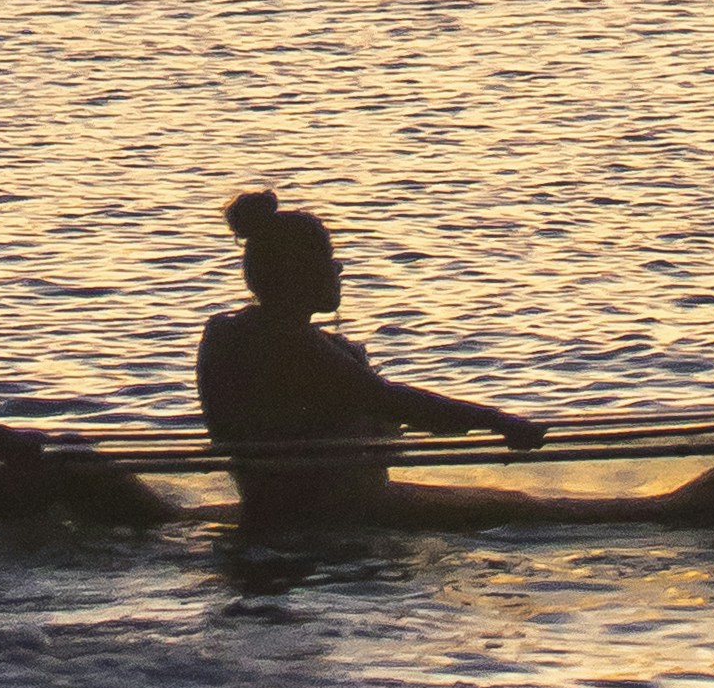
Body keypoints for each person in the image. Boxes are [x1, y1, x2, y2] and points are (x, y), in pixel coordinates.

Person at [195, 189, 546, 492]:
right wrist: (498, 421)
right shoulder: (287, 342)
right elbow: (389, 400)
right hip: (327, 512)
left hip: (288, 505)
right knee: (526, 510)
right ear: (299, 272)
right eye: (328, 259)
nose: (339, 270)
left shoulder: (232, 331)